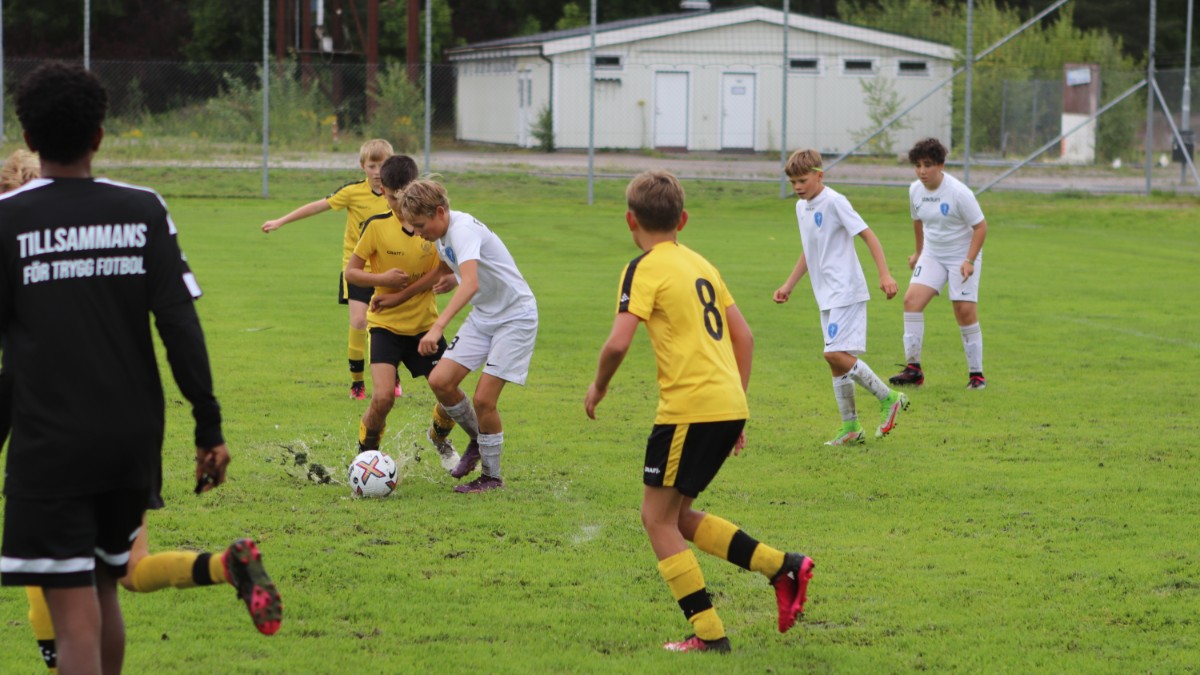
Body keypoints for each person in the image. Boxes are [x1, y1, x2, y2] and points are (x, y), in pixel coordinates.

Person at [0, 61, 256, 674]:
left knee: (74, 619)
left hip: (51, 439)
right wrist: (209, 426)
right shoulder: (143, 209)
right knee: (108, 584)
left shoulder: (6, 221)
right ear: (100, 135)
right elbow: (179, 326)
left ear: (29, 140)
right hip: (131, 440)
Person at [585, 170, 814, 654]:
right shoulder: (701, 263)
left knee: (656, 519)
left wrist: (599, 386)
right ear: (682, 220)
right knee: (679, 514)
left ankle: (709, 635)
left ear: (630, 220)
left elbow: (618, 341)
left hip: (689, 408)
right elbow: (744, 337)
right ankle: (781, 566)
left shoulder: (642, 268)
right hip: (727, 402)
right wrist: (739, 408)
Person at [398, 178, 538, 494]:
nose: (418, 232)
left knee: (485, 399)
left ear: (439, 211)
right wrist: (445, 278)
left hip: (515, 317)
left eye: (420, 225)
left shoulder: (461, 229)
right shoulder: (441, 233)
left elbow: (471, 283)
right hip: (485, 316)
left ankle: (491, 477)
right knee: (440, 381)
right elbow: (455, 268)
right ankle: (478, 440)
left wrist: (437, 327)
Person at [773, 149, 910, 446]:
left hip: (846, 291)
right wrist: (789, 285)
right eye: (793, 181)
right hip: (826, 295)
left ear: (819, 175)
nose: (797, 187)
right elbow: (810, 251)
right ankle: (850, 426)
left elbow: (868, 235)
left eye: (802, 180)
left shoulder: (835, 202)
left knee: (833, 354)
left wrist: (884, 275)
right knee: (837, 362)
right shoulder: (801, 208)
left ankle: (890, 398)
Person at [261, 138, 402, 400]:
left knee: (387, 325)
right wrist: (281, 221)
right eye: (371, 165)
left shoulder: (399, 194)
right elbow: (318, 206)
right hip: (357, 269)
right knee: (359, 321)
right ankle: (357, 382)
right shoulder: (352, 192)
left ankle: (392, 376)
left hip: (387, 270)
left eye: (381, 165)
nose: (376, 171)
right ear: (363, 166)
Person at [344, 155, 461, 473]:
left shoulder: (433, 228)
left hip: (425, 326)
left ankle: (439, 438)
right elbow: (352, 273)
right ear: (382, 191)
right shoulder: (377, 227)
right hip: (385, 326)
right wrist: (381, 280)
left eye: (401, 196)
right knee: (383, 398)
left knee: (450, 394)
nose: (397, 203)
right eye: (391, 196)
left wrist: (449, 279)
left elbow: (448, 268)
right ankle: (364, 459)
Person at [888, 138, 990, 390]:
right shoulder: (914, 190)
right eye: (918, 165)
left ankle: (976, 377)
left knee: (963, 311)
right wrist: (918, 252)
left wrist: (969, 260)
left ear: (941, 165)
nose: (922, 171)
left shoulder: (958, 193)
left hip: (961, 255)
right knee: (911, 301)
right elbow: (918, 221)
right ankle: (914, 370)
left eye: (928, 165)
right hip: (933, 253)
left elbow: (980, 227)